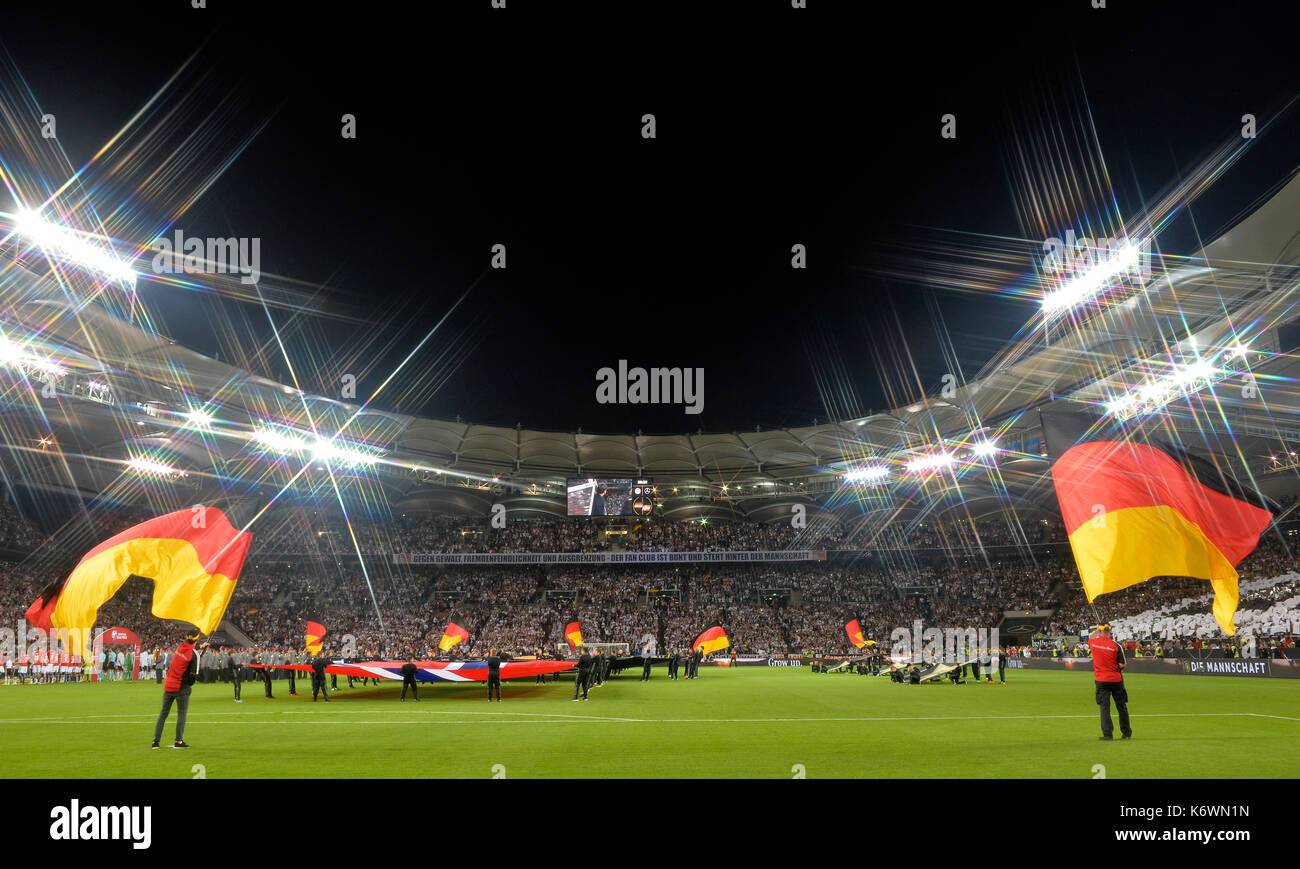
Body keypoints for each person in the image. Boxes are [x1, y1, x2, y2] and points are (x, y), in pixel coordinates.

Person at [153, 632, 203, 749]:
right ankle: (178, 741)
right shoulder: (194, 654)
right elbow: (192, 676)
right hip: (181, 687)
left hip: (168, 686)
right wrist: (189, 686)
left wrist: (199, 648)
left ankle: (155, 742)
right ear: (197, 639)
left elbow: (188, 650)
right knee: (181, 715)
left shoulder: (180, 648)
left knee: (163, 714)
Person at [1087, 625, 1132, 740]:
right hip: (1116, 680)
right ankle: (1126, 733)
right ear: (1110, 632)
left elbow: (1089, 639)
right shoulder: (1116, 646)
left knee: (1104, 707)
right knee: (1122, 706)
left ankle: (1108, 734)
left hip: (1101, 680)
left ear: (1101, 631)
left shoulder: (1094, 642)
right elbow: (1122, 665)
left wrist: (1097, 631)